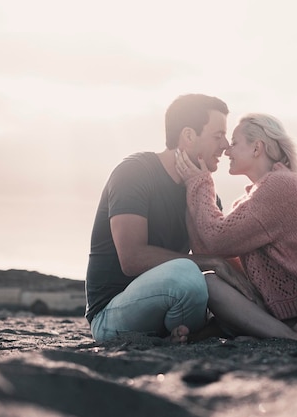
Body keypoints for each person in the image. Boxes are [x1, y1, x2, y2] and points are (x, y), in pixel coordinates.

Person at [175, 113, 297, 343]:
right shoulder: (248, 200)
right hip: (281, 315)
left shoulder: (281, 184)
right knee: (209, 282)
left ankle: (290, 338)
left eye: (235, 143)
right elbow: (209, 251)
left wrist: (200, 183)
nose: (227, 150)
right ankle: (288, 335)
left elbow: (215, 240)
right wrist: (191, 192)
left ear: (257, 148)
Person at [86, 93, 239, 343]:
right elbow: (132, 258)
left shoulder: (206, 194)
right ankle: (191, 334)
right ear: (189, 136)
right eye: (217, 135)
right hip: (111, 315)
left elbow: (215, 251)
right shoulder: (135, 172)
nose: (226, 145)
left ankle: (179, 338)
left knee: (205, 281)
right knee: (187, 275)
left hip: (174, 306)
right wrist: (214, 262)